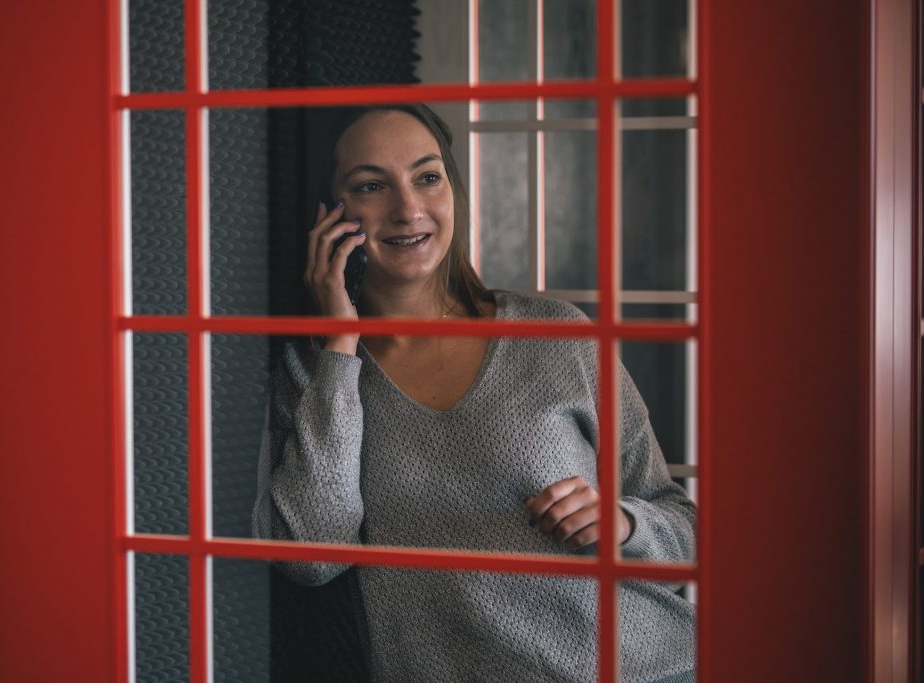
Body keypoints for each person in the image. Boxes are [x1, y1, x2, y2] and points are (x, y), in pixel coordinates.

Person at [253, 103, 696, 683]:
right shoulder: (315, 370)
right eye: (370, 185)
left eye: (427, 177)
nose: (408, 209)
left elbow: (684, 529)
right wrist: (340, 342)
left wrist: (621, 524)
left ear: (452, 189)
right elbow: (311, 553)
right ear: (328, 216)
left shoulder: (555, 335)